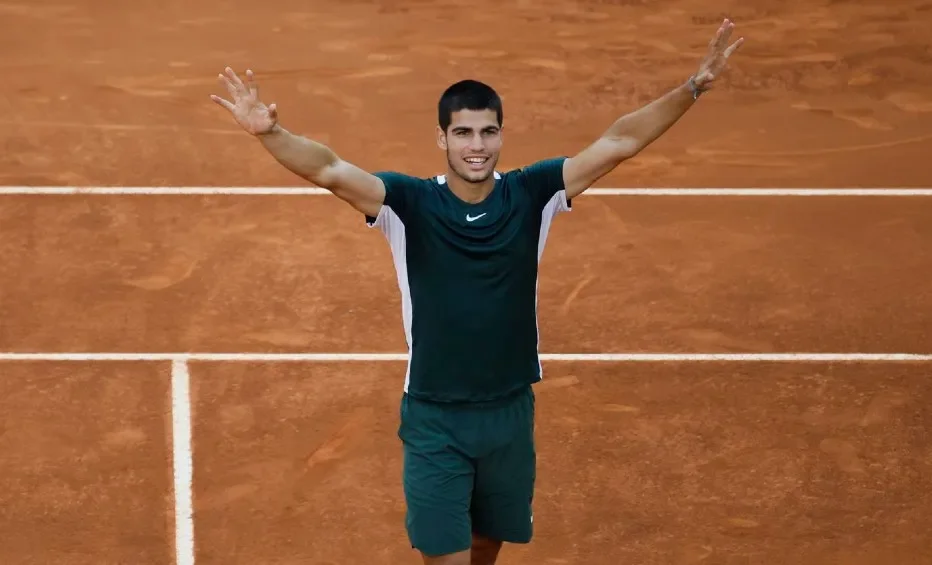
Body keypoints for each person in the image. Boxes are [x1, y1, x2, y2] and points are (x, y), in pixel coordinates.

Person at [210, 18, 743, 565]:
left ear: (501, 135)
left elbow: (618, 142)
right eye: (463, 133)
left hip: (509, 412)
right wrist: (271, 134)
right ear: (442, 138)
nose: (477, 145)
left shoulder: (532, 193)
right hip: (435, 417)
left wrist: (691, 89)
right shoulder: (408, 203)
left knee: (488, 544)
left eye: (488, 132)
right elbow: (328, 169)